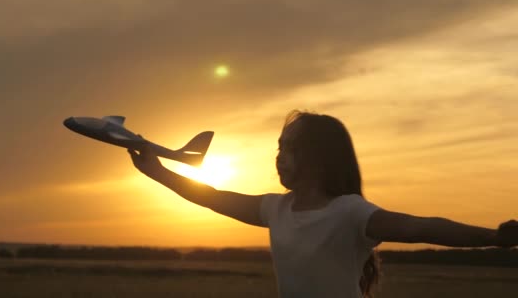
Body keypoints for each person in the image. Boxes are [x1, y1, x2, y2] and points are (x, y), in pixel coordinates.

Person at [128, 110, 518, 297]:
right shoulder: (275, 209)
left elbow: (419, 227)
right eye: (279, 148)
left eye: (291, 148)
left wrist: (494, 237)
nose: (279, 156)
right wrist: (156, 172)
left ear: (319, 156)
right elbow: (211, 198)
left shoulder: (349, 212)